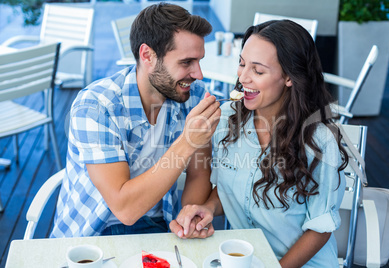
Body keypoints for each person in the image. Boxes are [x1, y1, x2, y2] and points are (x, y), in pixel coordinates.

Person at [170, 20, 349, 267]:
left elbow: (320, 228)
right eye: (242, 64)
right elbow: (232, 188)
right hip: (243, 259)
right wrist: (209, 207)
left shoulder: (319, 141)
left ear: (288, 76)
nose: (242, 77)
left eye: (258, 70)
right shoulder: (226, 120)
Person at [50, 3, 221, 237]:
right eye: (186, 62)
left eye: (199, 61)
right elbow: (125, 210)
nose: (198, 74)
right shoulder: (96, 106)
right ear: (147, 55)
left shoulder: (195, 97)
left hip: (159, 225)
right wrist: (188, 141)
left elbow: (199, 174)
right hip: (93, 235)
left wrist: (189, 217)